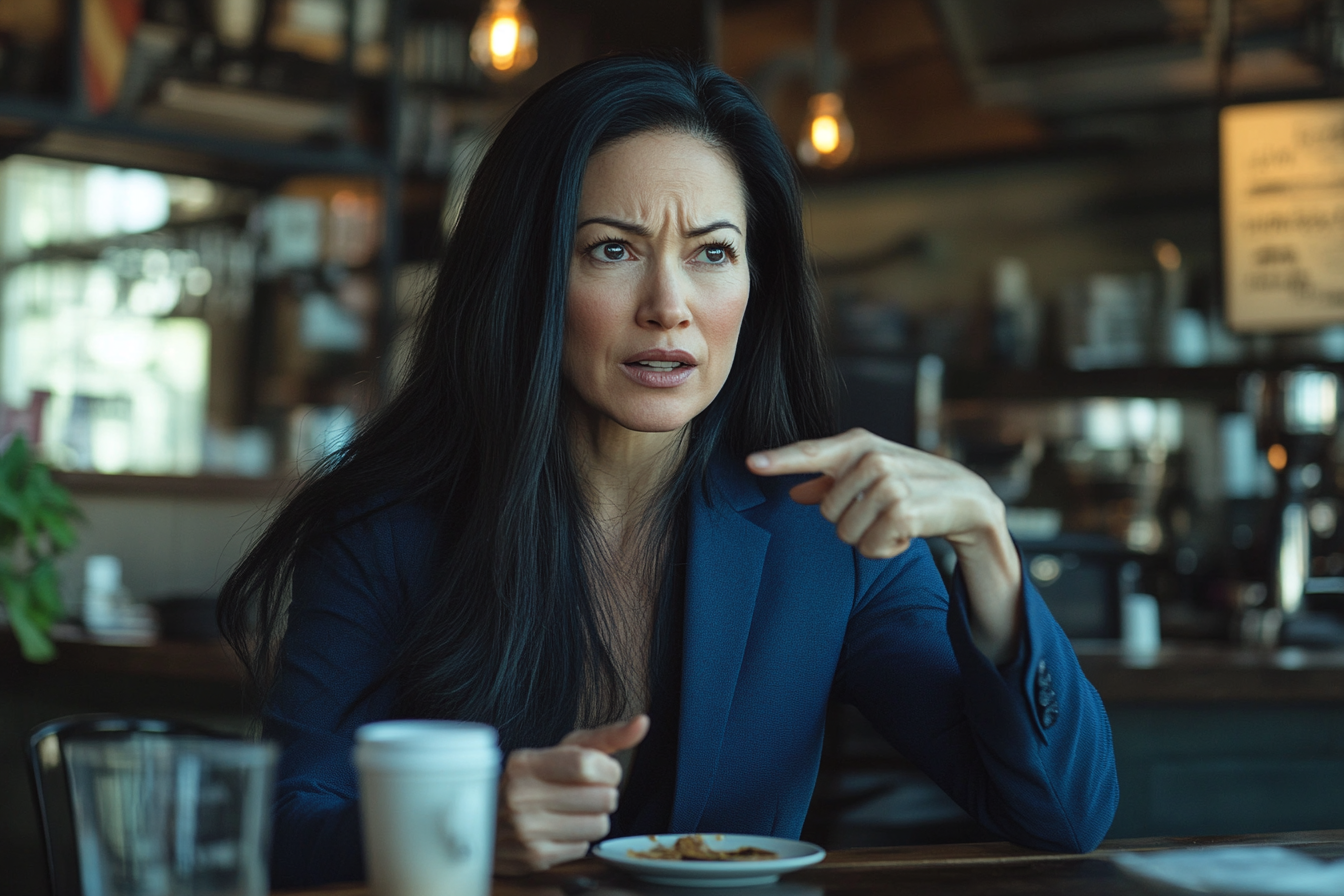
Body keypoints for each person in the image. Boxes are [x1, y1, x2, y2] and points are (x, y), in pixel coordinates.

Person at [218, 55, 1118, 889]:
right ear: (528, 276)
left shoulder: (825, 533)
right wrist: (458, 827)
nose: (669, 307)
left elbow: (1063, 815)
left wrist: (989, 548)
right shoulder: (388, 529)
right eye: (613, 249)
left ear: (752, 288)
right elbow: (280, 831)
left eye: (712, 254)